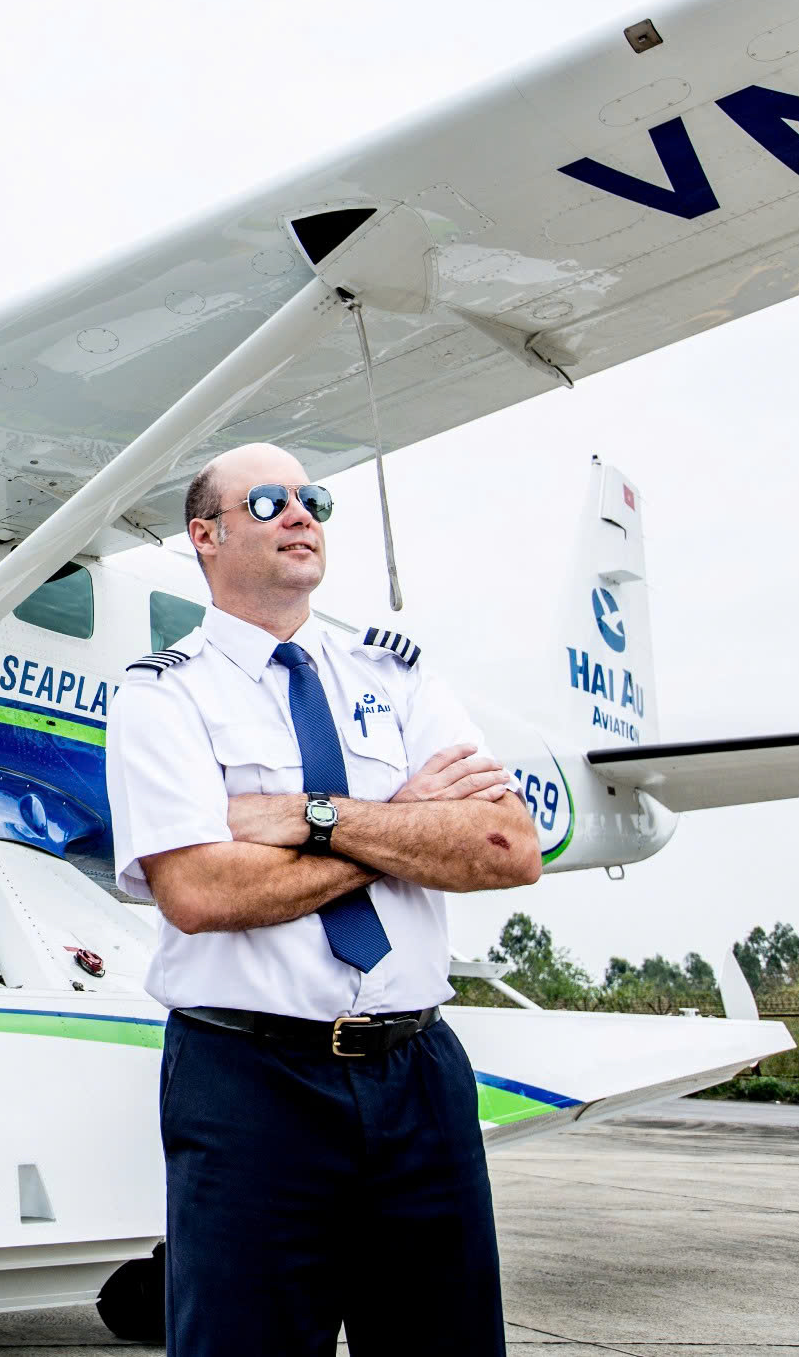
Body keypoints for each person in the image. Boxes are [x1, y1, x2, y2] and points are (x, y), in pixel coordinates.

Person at [107, 441, 541, 1356]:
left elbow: (507, 844)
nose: (301, 514)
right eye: (269, 501)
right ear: (206, 535)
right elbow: (197, 888)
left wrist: (310, 818)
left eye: (313, 499)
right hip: (250, 1082)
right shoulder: (160, 696)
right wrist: (408, 821)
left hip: (418, 1072)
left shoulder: (399, 673)